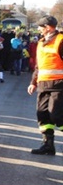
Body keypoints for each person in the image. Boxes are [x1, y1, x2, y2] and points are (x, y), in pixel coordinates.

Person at [27, 15, 63, 156]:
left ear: (48, 28)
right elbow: (38, 65)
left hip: (59, 84)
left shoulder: (61, 40)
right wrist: (33, 82)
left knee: (56, 115)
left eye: (40, 27)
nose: (38, 29)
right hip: (43, 84)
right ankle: (48, 145)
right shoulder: (41, 42)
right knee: (42, 115)